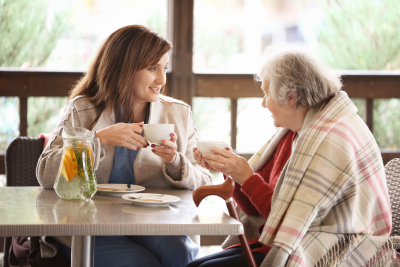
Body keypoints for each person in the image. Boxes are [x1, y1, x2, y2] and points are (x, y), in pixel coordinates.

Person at [188, 44, 394, 267]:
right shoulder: (294, 133)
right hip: (281, 241)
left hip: (323, 248)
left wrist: (246, 176)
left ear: (292, 98)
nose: (263, 102)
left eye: (267, 94)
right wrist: (232, 171)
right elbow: (257, 210)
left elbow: (288, 222)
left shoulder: (330, 141)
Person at [36, 25, 213, 267]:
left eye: (164, 68)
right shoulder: (84, 110)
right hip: (90, 225)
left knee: (178, 251)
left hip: (152, 222)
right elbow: (45, 174)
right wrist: (96, 140)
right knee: (140, 262)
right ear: (124, 69)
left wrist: (174, 162)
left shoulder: (177, 114)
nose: (162, 80)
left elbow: (204, 180)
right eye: (153, 68)